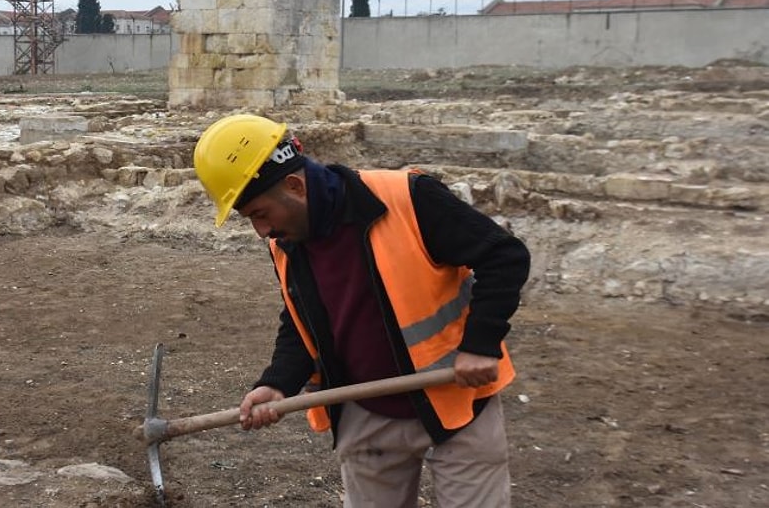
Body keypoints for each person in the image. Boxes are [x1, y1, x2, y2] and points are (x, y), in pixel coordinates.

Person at [192, 113, 530, 508]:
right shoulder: (286, 243)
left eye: (260, 214)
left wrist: (481, 343)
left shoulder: (407, 198)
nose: (261, 231)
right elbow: (303, 320)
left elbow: (503, 256)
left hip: (456, 401)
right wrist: (278, 381)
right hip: (366, 413)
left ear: (295, 186)